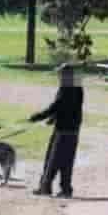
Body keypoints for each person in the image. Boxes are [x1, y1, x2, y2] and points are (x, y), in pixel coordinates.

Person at [30, 64, 84, 198]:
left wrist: (38, 116)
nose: (58, 77)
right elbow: (68, 107)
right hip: (71, 130)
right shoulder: (77, 88)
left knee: (53, 160)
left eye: (60, 75)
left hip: (64, 130)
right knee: (66, 160)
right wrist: (53, 118)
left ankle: (47, 188)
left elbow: (57, 106)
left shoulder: (67, 89)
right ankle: (63, 189)